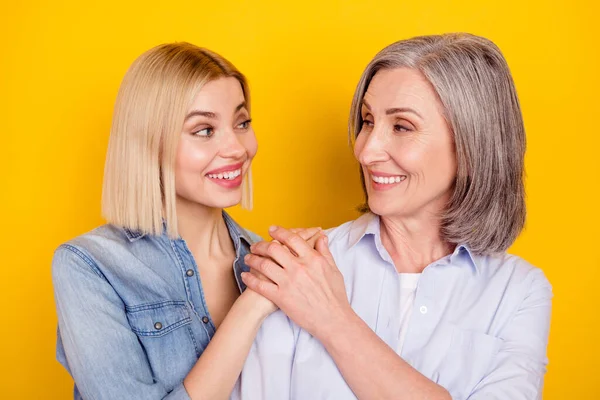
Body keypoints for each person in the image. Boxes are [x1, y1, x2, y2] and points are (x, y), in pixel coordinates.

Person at [236, 33, 553, 400]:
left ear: (471, 146)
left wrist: (332, 318)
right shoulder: (299, 266)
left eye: (402, 127)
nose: (365, 151)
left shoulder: (519, 291)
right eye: (368, 121)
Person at [52, 42, 320, 400]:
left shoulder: (275, 262)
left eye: (242, 123)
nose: (238, 148)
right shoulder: (90, 266)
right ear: (149, 143)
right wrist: (252, 304)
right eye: (204, 130)